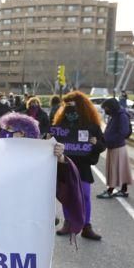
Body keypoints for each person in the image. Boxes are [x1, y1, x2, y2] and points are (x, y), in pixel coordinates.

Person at [0, 112, 77, 268]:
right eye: (10, 132)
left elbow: (64, 182)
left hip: (34, 224)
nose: (13, 136)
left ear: (29, 135)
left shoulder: (44, 157)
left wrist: (60, 159)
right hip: (7, 222)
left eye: (18, 133)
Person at [52, 91, 107, 241]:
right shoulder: (60, 124)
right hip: (65, 163)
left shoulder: (92, 126)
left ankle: (86, 226)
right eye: (67, 106)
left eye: (73, 106)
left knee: (85, 195)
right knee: (66, 195)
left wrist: (95, 143)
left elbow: (102, 145)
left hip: (82, 165)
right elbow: (52, 140)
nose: (70, 110)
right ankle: (68, 223)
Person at [97, 98, 133, 199]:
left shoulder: (121, 116)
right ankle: (123, 190)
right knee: (122, 169)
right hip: (115, 146)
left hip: (117, 146)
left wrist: (110, 140)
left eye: (106, 108)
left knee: (114, 169)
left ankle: (110, 191)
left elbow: (123, 132)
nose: (105, 110)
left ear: (112, 107)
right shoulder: (116, 115)